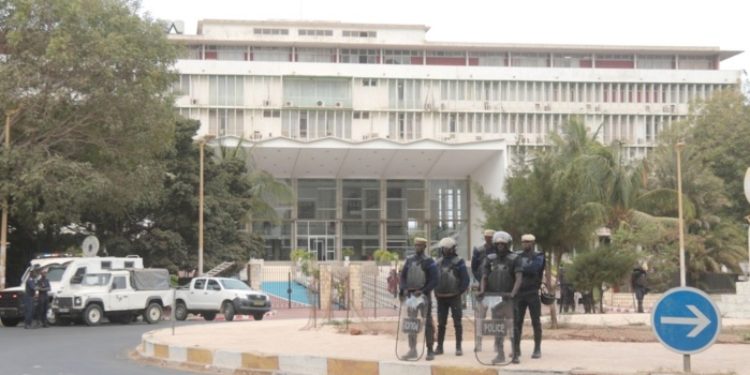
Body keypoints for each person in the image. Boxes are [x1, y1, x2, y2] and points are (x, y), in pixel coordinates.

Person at [479, 231, 521, 364]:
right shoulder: (490, 258)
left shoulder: (515, 258)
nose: (500, 246)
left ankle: (515, 353)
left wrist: (513, 293)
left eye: (503, 244)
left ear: (508, 244)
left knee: (512, 327)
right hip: (494, 298)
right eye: (498, 244)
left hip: (509, 298)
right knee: (497, 326)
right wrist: (482, 290)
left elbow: (519, 278)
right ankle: (500, 353)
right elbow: (484, 277)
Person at [399, 237, 438, 361]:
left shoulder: (429, 261)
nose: (417, 247)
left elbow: (434, 279)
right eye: (416, 245)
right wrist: (404, 288)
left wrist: (423, 290)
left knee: (427, 323)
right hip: (411, 297)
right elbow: (403, 276)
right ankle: (412, 349)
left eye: (420, 245)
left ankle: (430, 349)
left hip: (423, 297)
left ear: (424, 247)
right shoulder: (409, 260)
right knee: (411, 323)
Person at [433, 237, 470, 356]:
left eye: (448, 248)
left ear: (453, 249)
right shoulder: (437, 262)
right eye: (444, 248)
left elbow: (465, 280)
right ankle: (439, 347)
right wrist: (435, 291)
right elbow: (434, 278)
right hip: (441, 297)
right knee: (441, 323)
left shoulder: (459, 262)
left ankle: (458, 347)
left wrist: (459, 292)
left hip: (454, 296)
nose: (446, 250)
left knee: (457, 323)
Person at [512, 234, 545, 363]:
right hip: (519, 293)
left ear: (533, 243)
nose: (526, 244)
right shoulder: (517, 256)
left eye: (528, 242)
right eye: (524, 242)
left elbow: (534, 269)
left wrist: (519, 269)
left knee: (535, 322)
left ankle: (537, 349)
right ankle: (516, 349)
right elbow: (513, 269)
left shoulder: (539, 256)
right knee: (517, 322)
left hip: (532, 293)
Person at [471, 229, 494, 350]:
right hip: (482, 288)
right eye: (487, 237)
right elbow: (474, 268)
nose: (488, 239)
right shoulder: (478, 251)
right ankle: (478, 342)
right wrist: (481, 280)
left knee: (497, 317)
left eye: (490, 237)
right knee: (480, 316)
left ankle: (498, 343)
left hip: (496, 288)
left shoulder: (498, 251)